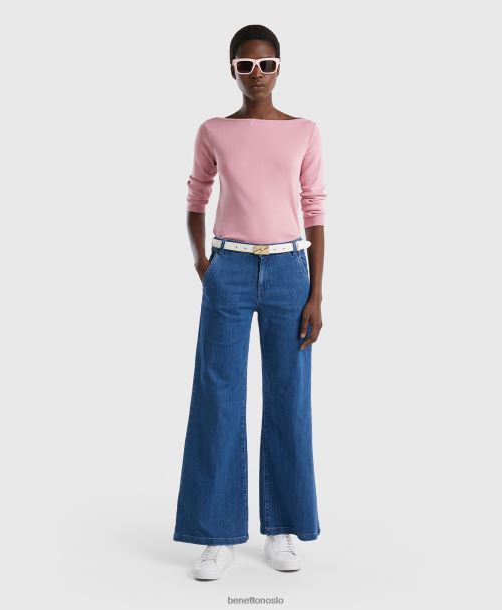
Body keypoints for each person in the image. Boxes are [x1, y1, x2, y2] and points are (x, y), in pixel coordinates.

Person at [173, 24, 326, 581]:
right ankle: (215, 534)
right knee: (218, 396)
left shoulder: (304, 131)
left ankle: (282, 527)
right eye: (245, 65)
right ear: (232, 69)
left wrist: (316, 292)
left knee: (289, 397)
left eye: (265, 64)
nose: (256, 74)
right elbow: (196, 196)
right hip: (230, 269)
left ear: (279, 67)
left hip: (288, 270)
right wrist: (203, 263)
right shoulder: (214, 130)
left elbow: (315, 208)